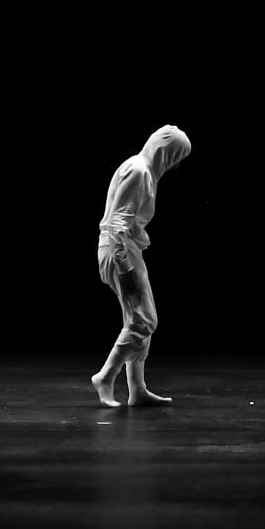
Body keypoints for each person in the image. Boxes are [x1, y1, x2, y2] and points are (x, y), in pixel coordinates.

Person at [92, 125, 191, 408]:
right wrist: (125, 268)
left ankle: (137, 389)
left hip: (126, 249)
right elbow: (117, 224)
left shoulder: (141, 169)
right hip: (119, 251)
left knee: (138, 320)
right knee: (144, 319)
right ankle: (105, 376)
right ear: (166, 153)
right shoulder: (139, 171)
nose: (176, 165)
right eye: (176, 157)